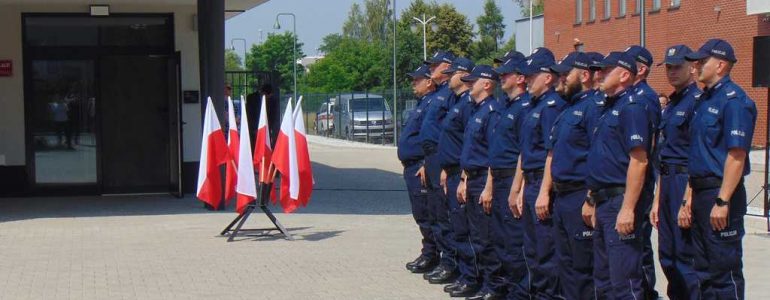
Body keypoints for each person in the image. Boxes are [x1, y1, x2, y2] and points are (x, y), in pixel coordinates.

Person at [685, 38, 756, 299]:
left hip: (721, 192)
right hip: (703, 194)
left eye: (703, 62)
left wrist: (723, 200)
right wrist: (690, 197)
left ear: (721, 65)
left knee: (723, 272)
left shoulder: (734, 101)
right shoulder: (704, 100)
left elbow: (736, 155)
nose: (697, 66)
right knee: (703, 270)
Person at [587, 51, 653, 299]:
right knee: (604, 280)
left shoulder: (632, 107)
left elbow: (639, 161)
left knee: (624, 281)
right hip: (604, 201)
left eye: (606, 71)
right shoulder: (608, 107)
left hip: (619, 201)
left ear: (624, 74)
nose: (599, 75)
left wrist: (627, 208)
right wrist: (593, 199)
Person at [544, 51, 605, 300]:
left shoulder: (594, 108)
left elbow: (597, 156)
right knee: (566, 264)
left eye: (565, 74)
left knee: (583, 267)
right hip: (562, 197)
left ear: (584, 75)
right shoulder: (568, 110)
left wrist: (591, 199)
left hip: (580, 195)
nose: (561, 78)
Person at [511, 47, 567, 299]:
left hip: (543, 184)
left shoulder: (552, 106)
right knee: (532, 248)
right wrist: (519, 188)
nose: (528, 80)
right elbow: (525, 151)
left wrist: (544, 191)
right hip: (531, 182)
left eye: (533, 75)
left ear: (548, 77)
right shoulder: (535, 106)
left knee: (546, 250)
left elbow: (550, 153)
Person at [649, 44, 702, 300]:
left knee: (685, 258)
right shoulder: (670, 104)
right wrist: (658, 199)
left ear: (692, 67)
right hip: (667, 181)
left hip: (684, 181)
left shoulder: (696, 102)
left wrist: (687, 199)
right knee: (667, 256)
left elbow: (696, 155)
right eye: (668, 67)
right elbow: (663, 155)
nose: (671, 72)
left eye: (677, 67)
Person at [484, 54, 531, 299]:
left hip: (513, 180)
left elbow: (525, 152)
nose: (501, 76)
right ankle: (508, 290)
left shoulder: (525, 108)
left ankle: (520, 293)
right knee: (501, 242)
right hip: (500, 179)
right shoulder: (505, 106)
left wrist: (517, 188)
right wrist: (490, 185)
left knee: (514, 244)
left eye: (506, 73)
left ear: (521, 78)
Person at [456, 65, 502, 300]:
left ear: (486, 84)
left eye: (473, 81)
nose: (468, 84)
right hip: (472, 179)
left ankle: (493, 286)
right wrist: (464, 179)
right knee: (476, 236)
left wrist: (489, 187)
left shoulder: (492, 111)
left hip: (484, 179)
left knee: (486, 237)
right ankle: (483, 282)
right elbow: (469, 149)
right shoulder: (476, 111)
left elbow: (493, 153)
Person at [436, 57, 481, 296]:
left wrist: (463, 176)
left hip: (463, 174)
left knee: (465, 229)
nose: (448, 76)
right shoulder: (458, 101)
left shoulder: (467, 104)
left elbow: (468, 143)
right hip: (452, 172)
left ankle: (470, 277)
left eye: (453, 72)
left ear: (463, 74)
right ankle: (465, 274)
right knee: (457, 226)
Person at [418, 50, 458, 283]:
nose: (431, 69)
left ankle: (450, 263)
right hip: (431, 159)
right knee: (434, 213)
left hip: (442, 159)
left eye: (434, 66)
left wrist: (442, 163)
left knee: (445, 216)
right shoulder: (438, 95)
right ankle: (443, 259)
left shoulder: (450, 94)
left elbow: (448, 133)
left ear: (447, 66)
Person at [401, 65, 440, 274]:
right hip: (411, 167)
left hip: (420, 167)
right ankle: (430, 251)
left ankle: (432, 254)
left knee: (426, 214)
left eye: (417, 80)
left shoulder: (432, 103)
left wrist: (426, 163)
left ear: (429, 82)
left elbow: (432, 137)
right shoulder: (422, 103)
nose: (413, 83)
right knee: (421, 213)